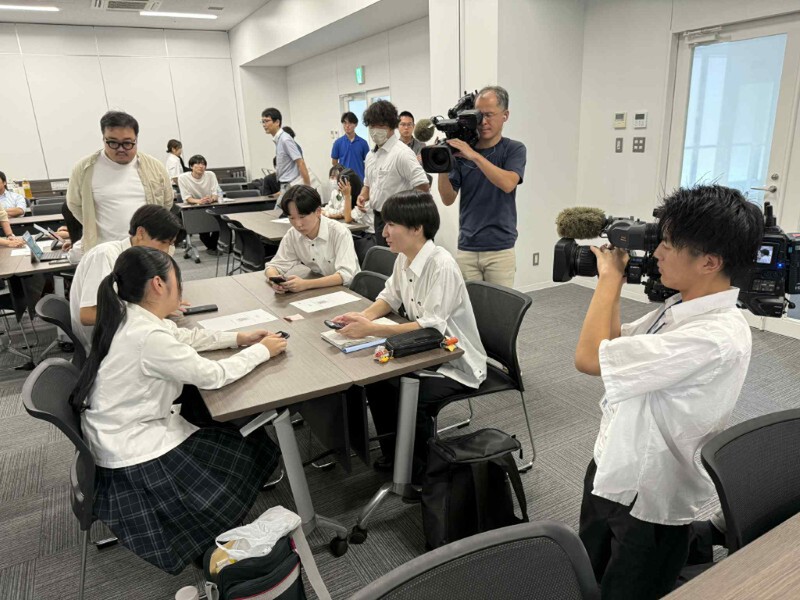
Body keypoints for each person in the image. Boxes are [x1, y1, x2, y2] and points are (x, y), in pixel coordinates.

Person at [573, 184, 764, 600]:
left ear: (709, 262)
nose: (656, 252)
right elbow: (611, 344)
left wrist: (609, 279)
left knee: (631, 589)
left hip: (652, 496)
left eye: (669, 244)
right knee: (588, 573)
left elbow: (588, 358)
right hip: (615, 465)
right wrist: (614, 285)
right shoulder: (681, 307)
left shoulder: (714, 336)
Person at [71, 245, 286, 575]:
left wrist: (239, 338)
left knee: (226, 437)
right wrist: (262, 351)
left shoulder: (129, 314)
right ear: (158, 284)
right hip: (134, 452)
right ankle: (212, 546)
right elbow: (213, 375)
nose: (180, 287)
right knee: (241, 453)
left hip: (116, 433)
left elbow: (184, 338)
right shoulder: (146, 335)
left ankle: (211, 536)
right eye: (177, 278)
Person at [333, 191, 487, 481]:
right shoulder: (404, 259)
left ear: (417, 228)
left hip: (454, 360)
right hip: (423, 351)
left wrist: (372, 329)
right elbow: (389, 298)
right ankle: (395, 456)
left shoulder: (441, 265)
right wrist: (363, 317)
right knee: (377, 382)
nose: (384, 232)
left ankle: (422, 474)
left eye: (391, 224)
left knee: (409, 395)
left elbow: (431, 328)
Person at [437, 85, 526, 287]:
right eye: (479, 115)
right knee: (468, 306)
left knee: (499, 306)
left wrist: (474, 156)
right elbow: (448, 199)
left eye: (489, 115)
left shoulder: (514, 149)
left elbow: (508, 183)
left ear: (505, 115)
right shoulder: (461, 152)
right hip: (467, 247)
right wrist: (443, 162)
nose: (483, 122)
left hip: (500, 249)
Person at [70, 204, 182, 351]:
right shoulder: (105, 255)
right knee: (178, 349)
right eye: (163, 242)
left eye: (170, 244)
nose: (166, 251)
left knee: (180, 341)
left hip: (124, 333)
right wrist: (149, 311)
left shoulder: (139, 260)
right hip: (103, 345)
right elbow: (88, 315)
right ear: (140, 233)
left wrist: (166, 300)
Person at [66, 111, 173, 253]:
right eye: (113, 143)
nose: (121, 149)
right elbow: (74, 204)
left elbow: (166, 203)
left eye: (127, 143)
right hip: (105, 250)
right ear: (103, 139)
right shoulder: (84, 169)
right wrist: (92, 227)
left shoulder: (155, 167)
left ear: (136, 139)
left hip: (148, 250)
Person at [358, 100, 430, 247]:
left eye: (380, 126)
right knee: (384, 257)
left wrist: (406, 213)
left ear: (391, 126)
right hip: (378, 218)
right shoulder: (371, 155)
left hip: (400, 220)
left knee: (400, 258)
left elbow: (423, 187)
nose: (375, 130)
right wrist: (362, 196)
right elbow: (368, 185)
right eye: (372, 126)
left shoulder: (402, 153)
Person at [265, 185, 360, 293]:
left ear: (318, 211)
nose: (298, 224)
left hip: (348, 291)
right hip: (320, 291)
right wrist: (275, 281)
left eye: (302, 217)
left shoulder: (339, 232)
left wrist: (306, 284)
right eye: (292, 218)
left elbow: (346, 275)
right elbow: (274, 266)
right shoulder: (293, 234)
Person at [177, 154, 223, 254]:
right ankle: (212, 248)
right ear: (191, 166)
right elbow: (187, 198)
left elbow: (215, 193)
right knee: (202, 227)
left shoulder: (210, 175)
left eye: (203, 164)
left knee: (219, 223)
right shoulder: (183, 178)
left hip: (210, 204)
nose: (201, 166)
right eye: (197, 164)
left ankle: (212, 248)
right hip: (194, 207)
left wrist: (211, 199)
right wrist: (199, 201)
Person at [261, 108, 310, 191]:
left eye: (267, 121)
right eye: (263, 121)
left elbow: (301, 162)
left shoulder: (285, 139)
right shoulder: (279, 139)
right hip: (285, 184)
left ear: (277, 122)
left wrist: (308, 188)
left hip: (291, 184)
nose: (264, 124)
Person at [330, 111, 370, 180]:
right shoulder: (338, 143)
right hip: (344, 180)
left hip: (360, 179)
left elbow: (368, 162)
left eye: (350, 123)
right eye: (345, 123)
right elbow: (334, 162)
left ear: (356, 124)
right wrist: (339, 175)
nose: (347, 126)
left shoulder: (363, 143)